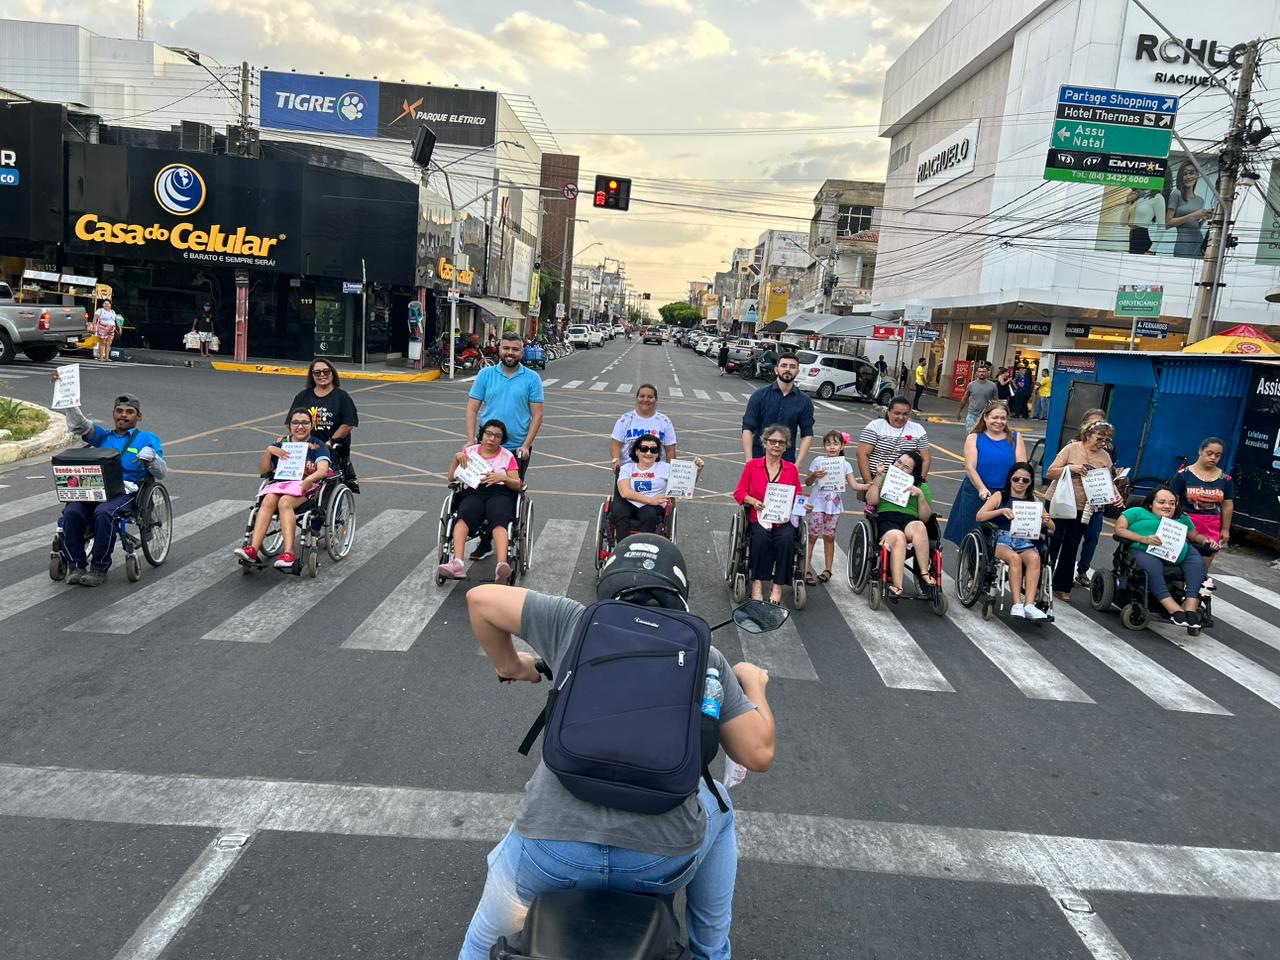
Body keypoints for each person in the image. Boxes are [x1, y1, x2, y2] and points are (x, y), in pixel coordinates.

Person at [458, 536, 776, 960]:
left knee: (484, 937)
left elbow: (480, 600)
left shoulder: (574, 621)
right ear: (679, 594)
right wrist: (753, 681)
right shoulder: (707, 656)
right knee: (721, 809)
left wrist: (512, 666)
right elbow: (758, 754)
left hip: (552, 851)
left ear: (608, 583)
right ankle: (710, 952)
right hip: (660, 861)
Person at [53, 383, 166, 586]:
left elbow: (161, 472)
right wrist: (64, 391)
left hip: (126, 492)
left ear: (138, 417)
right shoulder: (103, 436)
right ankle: (76, 565)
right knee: (71, 512)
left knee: (104, 513)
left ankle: (99, 567)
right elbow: (80, 424)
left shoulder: (147, 438)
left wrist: (152, 459)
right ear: (113, 414)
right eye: (119, 411)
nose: (123, 415)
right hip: (95, 489)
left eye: (130, 412)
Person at [466, 331, 545, 561]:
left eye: (515, 349)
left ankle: (505, 539)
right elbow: (472, 408)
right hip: (487, 446)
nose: (510, 353)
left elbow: (537, 415)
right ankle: (485, 542)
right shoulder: (486, 374)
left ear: (522, 351)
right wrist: (471, 440)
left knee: (508, 493)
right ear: (499, 349)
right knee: (480, 490)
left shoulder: (532, 379)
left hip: (515, 449)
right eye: (506, 348)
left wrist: (527, 445)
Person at [234, 409, 332, 572]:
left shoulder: (317, 445)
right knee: (269, 499)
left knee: (285, 501)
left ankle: (288, 554)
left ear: (311, 425)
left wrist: (308, 479)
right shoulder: (281, 444)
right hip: (281, 484)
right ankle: (252, 550)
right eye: (295, 423)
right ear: (289, 426)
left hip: (305, 486)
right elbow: (264, 471)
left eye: (304, 423)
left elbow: (323, 470)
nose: (300, 427)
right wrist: (269, 451)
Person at [1115, 487, 1218, 630]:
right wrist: (1142, 539)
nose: (1167, 506)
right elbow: (1119, 529)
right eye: (1162, 502)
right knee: (1151, 566)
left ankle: (1191, 608)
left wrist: (1205, 541)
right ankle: (1174, 609)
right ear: (1151, 503)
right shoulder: (1137, 512)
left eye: (1171, 503)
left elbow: (1194, 535)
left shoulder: (1182, 518)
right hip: (1145, 549)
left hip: (1178, 552)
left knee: (1197, 564)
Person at [438, 419, 524, 582]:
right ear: (482, 434)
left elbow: (518, 485)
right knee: (464, 515)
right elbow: (451, 478)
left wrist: (502, 477)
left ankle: (501, 566)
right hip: (473, 491)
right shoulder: (469, 451)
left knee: (499, 518)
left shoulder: (507, 456)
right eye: (489, 434)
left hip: (499, 492)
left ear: (502, 440)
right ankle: (457, 563)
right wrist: (456, 458)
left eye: (497, 436)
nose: (492, 439)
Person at [1045, 419, 1120, 603]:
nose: (1103, 444)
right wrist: (1071, 468)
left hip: (1083, 508)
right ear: (1087, 435)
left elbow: (1108, 481)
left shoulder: (1105, 457)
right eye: (1099, 439)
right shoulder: (1071, 449)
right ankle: (1041, 580)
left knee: (1072, 546)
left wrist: (1116, 493)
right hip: (1059, 502)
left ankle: (1062, 586)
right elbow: (1050, 472)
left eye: (1106, 440)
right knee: (1052, 541)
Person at [734, 424, 804, 605]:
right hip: (759, 517)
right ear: (765, 443)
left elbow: (798, 495)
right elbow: (739, 493)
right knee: (760, 538)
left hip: (782, 519)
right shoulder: (752, 466)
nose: (777, 445)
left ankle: (778, 586)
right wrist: (753, 501)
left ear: (786, 446)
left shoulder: (791, 469)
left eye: (781, 442)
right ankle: (757, 583)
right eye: (773, 441)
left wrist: (805, 505)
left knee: (787, 540)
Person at [975, 461, 1055, 619]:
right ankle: (1017, 604)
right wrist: (1001, 511)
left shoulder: (1034, 500)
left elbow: (1052, 527)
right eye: (1016, 479)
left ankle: (1029, 604)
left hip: (1024, 539)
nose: (1020, 482)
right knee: (1014, 558)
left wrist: (1046, 520)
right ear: (1010, 479)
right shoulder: (1000, 496)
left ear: (1030, 482)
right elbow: (980, 516)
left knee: (1034, 558)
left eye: (1025, 480)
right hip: (1001, 538)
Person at [943, 401, 1027, 547]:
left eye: (1003, 418)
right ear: (986, 418)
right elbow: (970, 467)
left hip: (1004, 494)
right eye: (995, 417)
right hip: (977, 492)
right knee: (972, 535)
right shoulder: (975, 437)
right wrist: (981, 488)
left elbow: (1022, 468)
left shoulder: (1015, 437)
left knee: (1002, 538)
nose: (999, 422)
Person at [1169, 437, 1234, 591]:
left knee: (1203, 564)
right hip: (1186, 522)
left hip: (1211, 525)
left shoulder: (1225, 479)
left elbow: (1228, 504)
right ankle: (1175, 591)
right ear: (1200, 451)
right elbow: (1173, 500)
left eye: (1217, 455)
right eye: (1209, 453)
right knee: (1179, 560)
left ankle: (1193, 595)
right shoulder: (1183, 475)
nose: (1213, 458)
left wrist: (1225, 529)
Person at [803, 430, 867, 585]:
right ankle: (805, 569)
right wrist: (814, 475)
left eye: (835, 443)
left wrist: (871, 485)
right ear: (824, 446)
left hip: (834, 506)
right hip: (817, 503)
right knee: (812, 536)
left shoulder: (845, 464)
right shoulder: (818, 461)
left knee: (829, 536)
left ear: (842, 445)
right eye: (828, 444)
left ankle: (828, 569)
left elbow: (854, 485)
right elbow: (808, 482)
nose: (832, 447)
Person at [867, 450, 934, 597]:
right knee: (898, 537)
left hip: (910, 520)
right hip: (887, 519)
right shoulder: (884, 478)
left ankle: (923, 572)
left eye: (906, 467)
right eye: (899, 462)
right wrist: (878, 477)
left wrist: (920, 497)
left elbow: (925, 517)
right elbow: (871, 501)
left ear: (913, 472)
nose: (899, 467)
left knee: (920, 527)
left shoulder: (922, 487)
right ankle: (898, 585)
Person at [290, 358, 360, 492]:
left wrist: (329, 443)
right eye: (317, 373)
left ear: (332, 373)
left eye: (326, 371)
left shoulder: (341, 396)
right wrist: (302, 439)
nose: (322, 375)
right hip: (307, 445)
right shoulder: (303, 396)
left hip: (332, 446)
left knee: (328, 484)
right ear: (312, 376)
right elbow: (291, 421)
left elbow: (348, 424)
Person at [613, 433, 704, 535]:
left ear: (657, 454)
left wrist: (697, 470)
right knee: (619, 509)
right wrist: (651, 500)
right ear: (636, 451)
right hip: (631, 501)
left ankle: (643, 548)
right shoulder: (627, 468)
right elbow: (625, 493)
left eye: (653, 450)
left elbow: (685, 486)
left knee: (649, 515)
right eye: (644, 448)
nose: (649, 453)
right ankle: (622, 546)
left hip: (653, 507)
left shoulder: (666, 468)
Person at [741, 353, 814, 464]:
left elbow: (807, 434)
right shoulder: (759, 395)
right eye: (784, 365)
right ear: (776, 370)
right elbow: (747, 428)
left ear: (797, 372)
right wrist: (749, 460)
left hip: (786, 461)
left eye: (792, 366)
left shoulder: (804, 401)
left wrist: (797, 465)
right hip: (758, 458)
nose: (788, 369)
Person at [856, 397, 932, 486]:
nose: (901, 417)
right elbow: (862, 454)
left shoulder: (918, 429)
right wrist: (869, 482)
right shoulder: (875, 426)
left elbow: (926, 459)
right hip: (878, 480)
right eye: (897, 413)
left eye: (905, 414)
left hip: (905, 483)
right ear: (888, 412)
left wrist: (918, 483)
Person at [610, 384, 678, 467]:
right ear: (637, 398)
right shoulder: (624, 420)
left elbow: (670, 450)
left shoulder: (665, 422)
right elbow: (615, 445)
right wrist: (616, 461)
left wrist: (670, 472)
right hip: (629, 472)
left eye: (650, 397)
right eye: (642, 396)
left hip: (656, 474)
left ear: (656, 400)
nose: (645, 399)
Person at [1166, 160, 1211, 259]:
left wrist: (1204, 218)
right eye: (1185, 174)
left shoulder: (1200, 200)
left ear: (1197, 175)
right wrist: (1194, 215)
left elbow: (1195, 226)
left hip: (1198, 243)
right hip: (1183, 244)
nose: (1188, 177)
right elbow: (1168, 223)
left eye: (1191, 173)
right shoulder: (1176, 194)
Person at [955, 361, 998, 432]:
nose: (981, 373)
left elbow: (996, 401)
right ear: (977, 373)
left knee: (983, 437)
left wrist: (996, 415)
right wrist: (959, 412)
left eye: (984, 371)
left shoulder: (992, 386)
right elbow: (964, 398)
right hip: (972, 415)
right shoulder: (971, 385)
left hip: (985, 416)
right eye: (980, 371)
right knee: (972, 436)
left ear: (988, 373)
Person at [91, 297, 118, 362]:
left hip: (111, 328)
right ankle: (101, 357)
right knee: (102, 342)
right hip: (102, 327)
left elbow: (115, 320)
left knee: (109, 343)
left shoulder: (113, 312)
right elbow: (95, 319)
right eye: (105, 303)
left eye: (108, 304)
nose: (107, 305)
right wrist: (94, 327)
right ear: (103, 305)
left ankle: (107, 357)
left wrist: (118, 327)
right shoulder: (100, 310)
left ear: (110, 305)